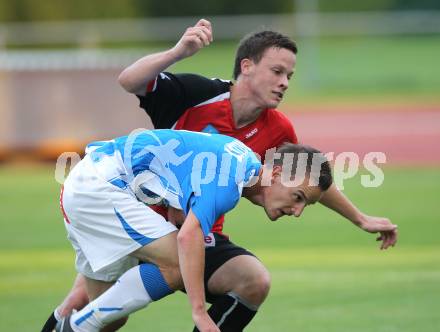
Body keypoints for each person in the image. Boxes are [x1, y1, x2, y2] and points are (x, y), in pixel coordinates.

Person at [43, 19, 398, 332]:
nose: (285, 82)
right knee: (90, 306)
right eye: (277, 71)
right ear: (247, 66)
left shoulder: (277, 133)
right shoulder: (198, 94)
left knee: (252, 281)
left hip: (188, 223)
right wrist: (179, 51)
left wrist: (360, 218)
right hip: (129, 205)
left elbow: (306, 180)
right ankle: (74, 324)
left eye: (290, 75)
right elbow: (129, 80)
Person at [55, 129, 342, 331]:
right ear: (277, 175)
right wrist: (200, 313)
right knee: (175, 264)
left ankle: (71, 323)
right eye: (299, 197)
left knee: (109, 318)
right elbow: (187, 236)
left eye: (306, 205)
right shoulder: (231, 181)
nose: (298, 211)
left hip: (88, 182)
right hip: (101, 188)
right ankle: (77, 326)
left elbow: (180, 176)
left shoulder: (243, 160)